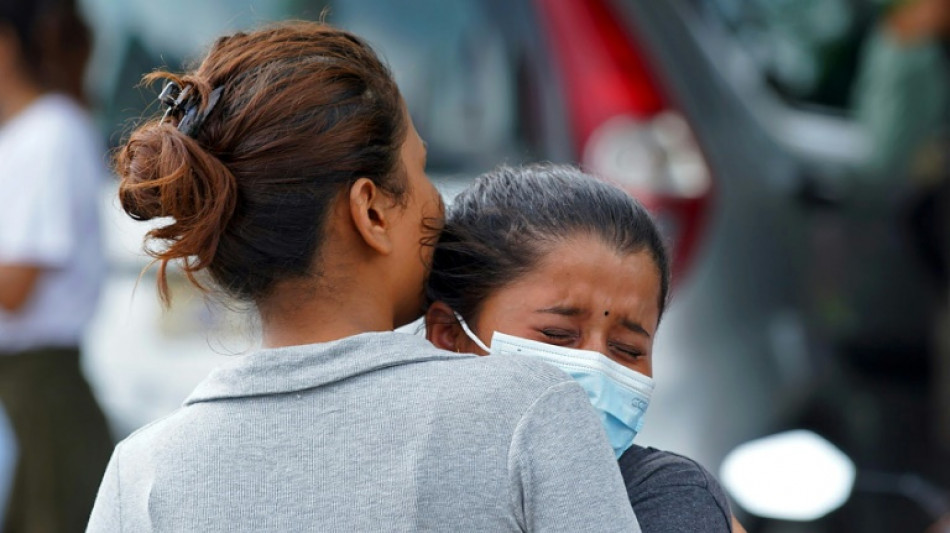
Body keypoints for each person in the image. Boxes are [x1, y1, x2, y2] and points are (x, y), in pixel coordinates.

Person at [87, 22, 641, 532]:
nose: (437, 204)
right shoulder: (529, 411)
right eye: (420, 171)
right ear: (371, 212)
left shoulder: (141, 475)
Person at [424, 164, 745, 533]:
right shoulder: (375, 475)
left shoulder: (665, 499)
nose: (596, 366)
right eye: (557, 334)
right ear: (449, 335)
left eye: (627, 349)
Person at [0, 0, 113, 530]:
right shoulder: (23, 137)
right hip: (25, 385)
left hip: (45, 381)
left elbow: (15, 286)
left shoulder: (52, 134)